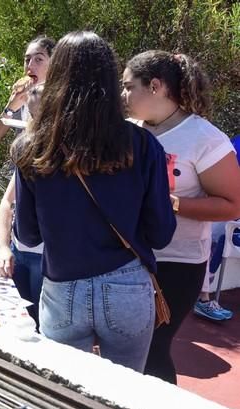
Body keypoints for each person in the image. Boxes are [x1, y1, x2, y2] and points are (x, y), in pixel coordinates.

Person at [14, 31, 176, 372]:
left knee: (65, 401)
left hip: (63, 289)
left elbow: (28, 236)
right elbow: (161, 234)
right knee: (125, 401)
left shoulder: (32, 148)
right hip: (127, 289)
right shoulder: (143, 145)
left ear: (56, 77)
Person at [122, 50, 240, 382]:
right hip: (126, 256)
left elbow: (232, 205)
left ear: (156, 86)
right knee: (123, 346)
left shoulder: (204, 139)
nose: (123, 95)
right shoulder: (129, 131)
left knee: (153, 348)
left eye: (129, 86)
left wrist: (168, 202)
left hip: (177, 264)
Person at [0, 84, 44, 329]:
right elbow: (7, 201)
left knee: (43, 327)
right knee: (19, 322)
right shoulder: (26, 151)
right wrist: (3, 247)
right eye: (32, 114)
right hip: (20, 253)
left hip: (51, 259)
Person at [0, 36, 55, 150]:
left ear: (53, 64)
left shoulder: (60, 98)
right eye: (27, 60)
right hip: (19, 165)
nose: (30, 66)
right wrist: (10, 107)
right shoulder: (22, 95)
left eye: (39, 59)